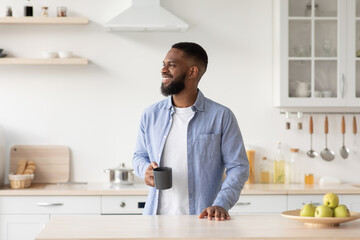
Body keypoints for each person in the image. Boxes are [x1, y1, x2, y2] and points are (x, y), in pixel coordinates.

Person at [132, 42, 249, 221]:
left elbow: (238, 167)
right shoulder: (151, 115)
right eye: (163, 64)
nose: (163, 70)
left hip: (203, 221)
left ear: (192, 72)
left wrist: (221, 204)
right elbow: (139, 156)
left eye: (171, 65)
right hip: (155, 220)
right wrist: (144, 170)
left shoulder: (221, 116)